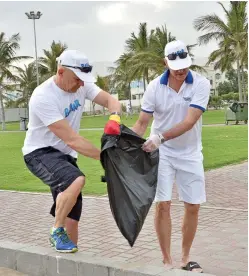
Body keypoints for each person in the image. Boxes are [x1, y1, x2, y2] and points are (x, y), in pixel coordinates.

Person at [22, 50, 121, 253]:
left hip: (65, 156)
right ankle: (56, 231)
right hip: (39, 153)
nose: (81, 84)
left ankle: (70, 260)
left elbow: (113, 102)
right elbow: (72, 139)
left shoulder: (82, 86)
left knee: (73, 218)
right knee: (75, 180)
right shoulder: (43, 96)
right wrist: (106, 157)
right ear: (60, 72)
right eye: (77, 79)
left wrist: (114, 118)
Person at [132, 40, 211, 273]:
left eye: (184, 64)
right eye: (175, 65)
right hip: (163, 153)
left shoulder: (200, 83)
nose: (180, 70)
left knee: (193, 205)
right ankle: (167, 260)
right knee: (163, 204)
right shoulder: (154, 87)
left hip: (190, 152)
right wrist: (125, 142)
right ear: (165, 62)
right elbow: (142, 122)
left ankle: (185, 258)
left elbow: (189, 121)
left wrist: (159, 137)